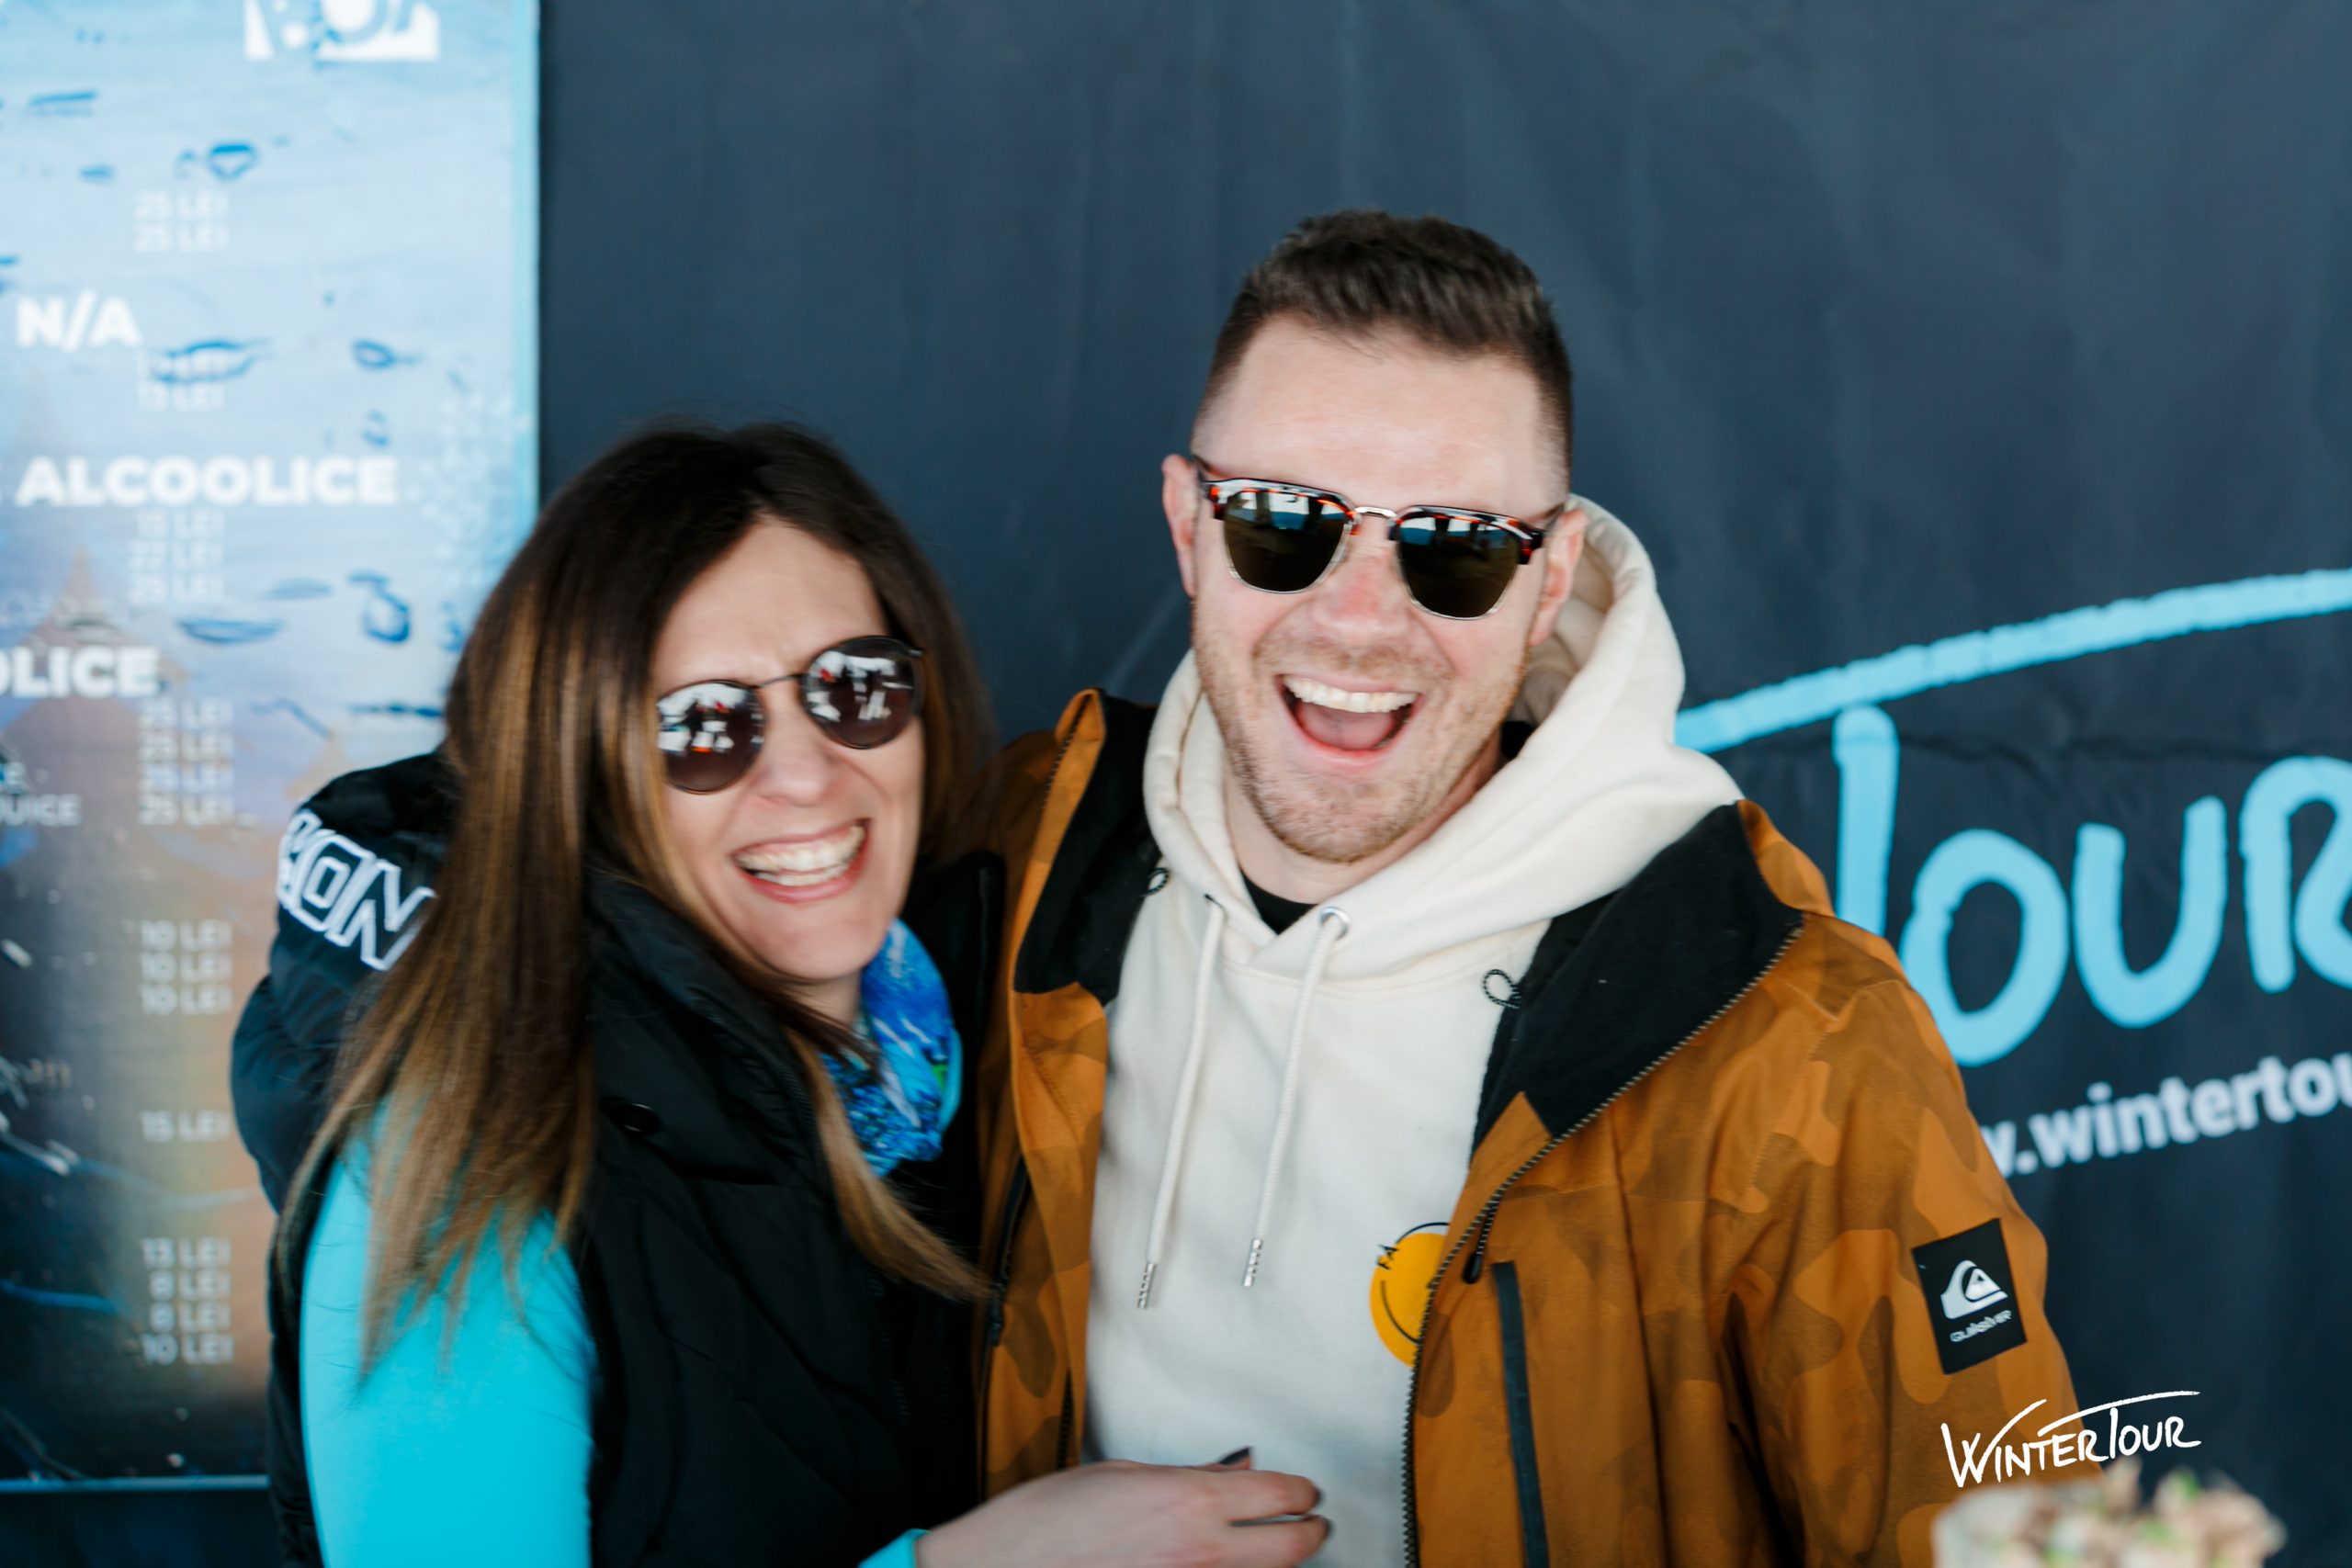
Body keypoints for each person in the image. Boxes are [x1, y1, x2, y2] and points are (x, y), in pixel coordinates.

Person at [970, 210, 2087, 1565]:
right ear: (1187, 524)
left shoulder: (1790, 1041)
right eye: (1283, 523)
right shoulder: (1033, 845)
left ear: (1549, 576)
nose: (1358, 620)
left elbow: (2014, 1539)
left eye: (1453, 547)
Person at [234, 425, 1329, 1567]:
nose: (807, 776)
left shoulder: (959, 1049)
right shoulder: (466, 1157)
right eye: (702, 727)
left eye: (853, 688)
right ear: (578, 768)